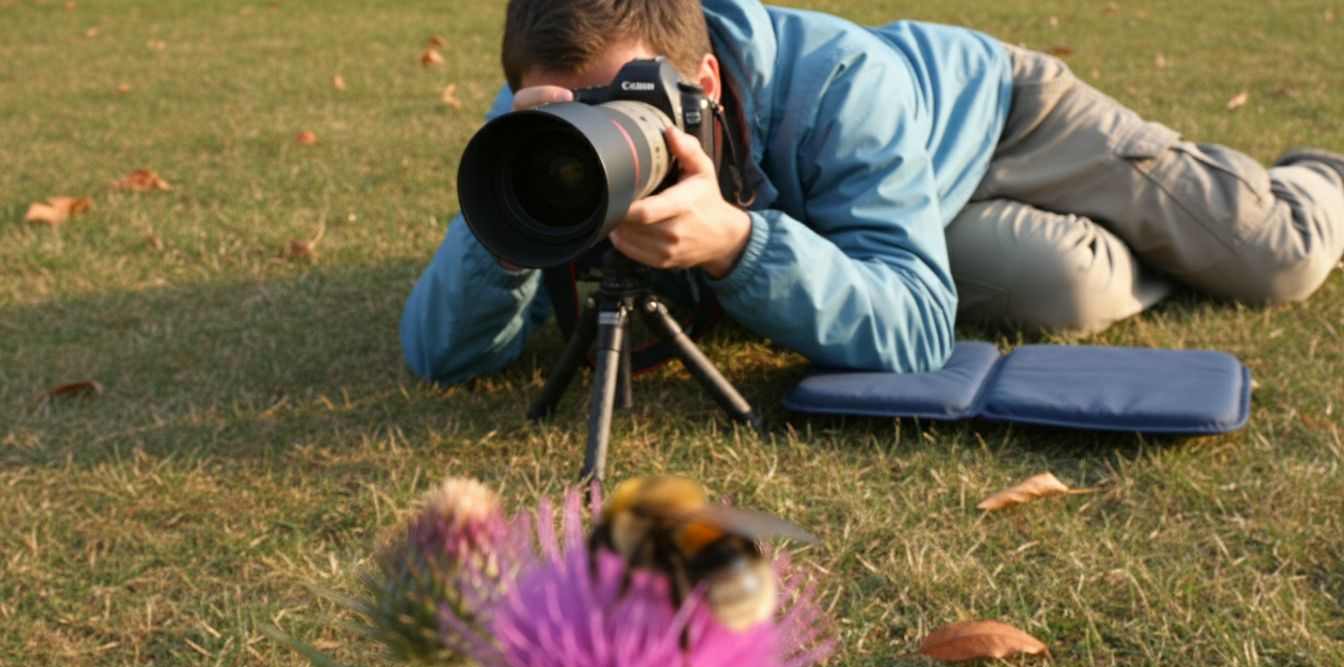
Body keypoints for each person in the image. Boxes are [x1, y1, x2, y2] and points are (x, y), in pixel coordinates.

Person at [401, 0, 1344, 386]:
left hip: (998, 117)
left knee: (1278, 258)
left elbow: (920, 333)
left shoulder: (844, 76)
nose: (595, 127)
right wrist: (508, 215)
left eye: (630, 102)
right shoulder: (540, 123)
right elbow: (439, 357)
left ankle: (1309, 178)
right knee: (1065, 287)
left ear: (708, 87)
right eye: (570, 108)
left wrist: (736, 246)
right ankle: (1136, 227)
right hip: (889, 206)